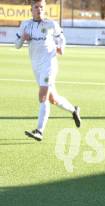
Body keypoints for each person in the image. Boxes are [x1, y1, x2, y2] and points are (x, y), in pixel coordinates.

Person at [15, 0, 81, 141]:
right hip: (36, 67)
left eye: (41, 7)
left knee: (42, 95)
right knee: (53, 99)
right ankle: (74, 110)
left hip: (49, 65)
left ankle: (39, 131)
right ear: (31, 9)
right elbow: (16, 45)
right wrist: (22, 38)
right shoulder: (25, 25)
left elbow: (61, 38)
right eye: (36, 7)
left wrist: (61, 48)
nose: (39, 9)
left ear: (44, 9)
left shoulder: (51, 24)